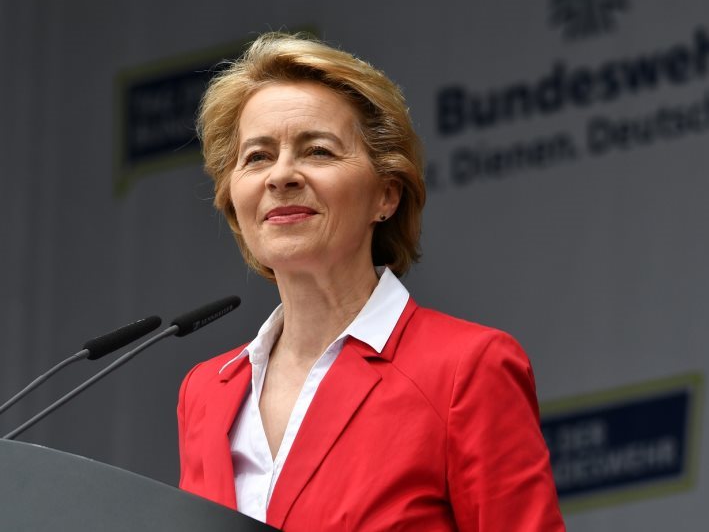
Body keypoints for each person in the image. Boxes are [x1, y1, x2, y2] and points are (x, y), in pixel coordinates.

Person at [176, 32, 565, 531]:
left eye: (317, 151)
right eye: (257, 157)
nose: (281, 176)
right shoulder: (206, 391)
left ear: (386, 195)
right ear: (233, 197)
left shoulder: (466, 369)